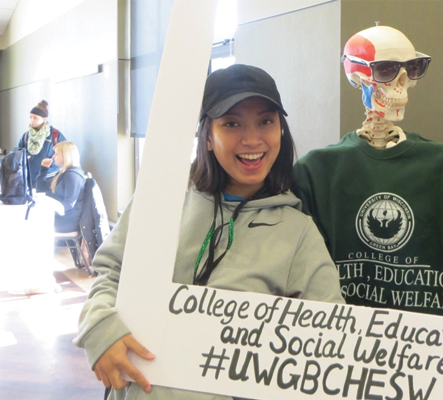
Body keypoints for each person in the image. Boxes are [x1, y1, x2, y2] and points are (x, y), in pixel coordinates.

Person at [75, 64, 344, 400]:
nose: (251, 139)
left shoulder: (298, 233)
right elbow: (110, 272)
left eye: (266, 121)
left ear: (281, 131)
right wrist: (101, 330)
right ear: (207, 136)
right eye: (231, 123)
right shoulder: (161, 199)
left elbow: (329, 338)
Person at [293, 26, 443, 318]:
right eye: (385, 70)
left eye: (412, 67)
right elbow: (302, 270)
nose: (401, 82)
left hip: (417, 338)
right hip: (342, 336)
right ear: (359, 78)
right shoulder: (314, 171)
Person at [17, 100, 67, 190]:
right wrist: (22, 157)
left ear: (44, 119)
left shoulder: (55, 135)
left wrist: (52, 162)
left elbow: (67, 154)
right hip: (29, 179)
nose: (32, 120)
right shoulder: (26, 136)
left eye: (35, 118)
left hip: (50, 178)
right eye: (30, 117)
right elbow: (17, 153)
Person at [37, 141, 86, 232]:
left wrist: (47, 212)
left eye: (56, 154)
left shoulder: (73, 175)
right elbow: (41, 189)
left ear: (65, 156)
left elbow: (68, 204)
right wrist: (44, 169)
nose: (53, 156)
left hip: (66, 221)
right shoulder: (63, 173)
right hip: (61, 216)